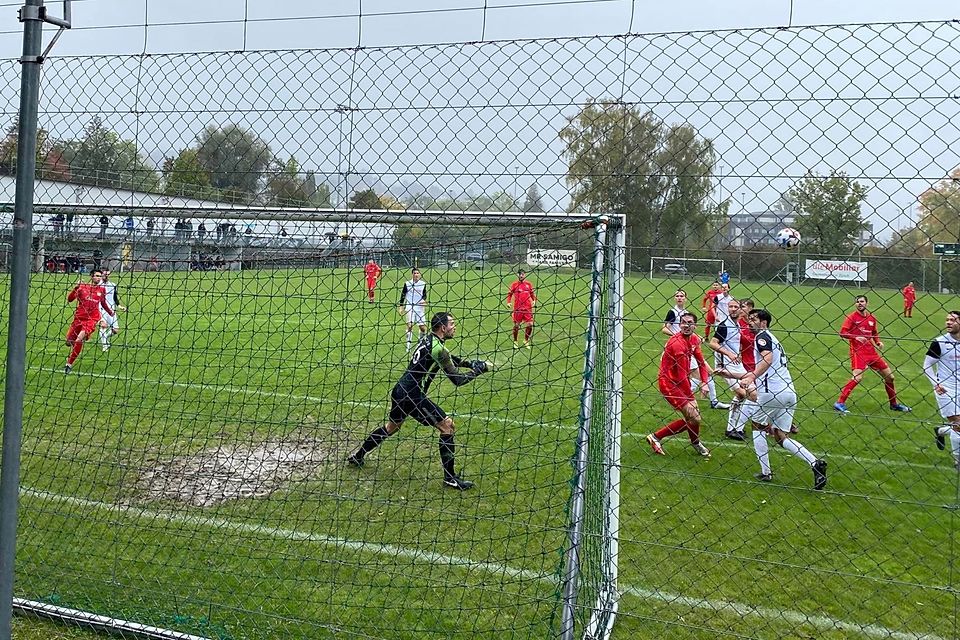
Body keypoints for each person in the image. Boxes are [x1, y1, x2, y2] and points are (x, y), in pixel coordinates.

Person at [346, 312, 493, 489]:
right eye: (452, 323)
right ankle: (450, 478)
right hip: (413, 396)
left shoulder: (429, 340)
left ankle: (358, 456)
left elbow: (449, 358)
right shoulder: (439, 349)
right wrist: (479, 370)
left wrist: (469, 364)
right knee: (447, 426)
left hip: (400, 390)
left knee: (391, 427)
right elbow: (457, 380)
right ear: (443, 327)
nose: (455, 327)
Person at [737, 308, 828, 489]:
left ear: (764, 323)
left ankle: (765, 472)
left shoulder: (761, 337)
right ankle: (815, 463)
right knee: (780, 436)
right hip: (789, 392)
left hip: (771, 392)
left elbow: (767, 359)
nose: (749, 322)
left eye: (754, 319)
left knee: (757, 427)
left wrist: (751, 377)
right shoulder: (774, 339)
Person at [647, 311, 718, 457]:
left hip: (681, 381)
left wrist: (704, 382)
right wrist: (691, 398)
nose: (686, 325)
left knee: (693, 417)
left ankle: (695, 442)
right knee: (694, 416)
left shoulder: (693, 340)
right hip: (669, 382)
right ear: (679, 324)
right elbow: (680, 375)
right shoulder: (677, 343)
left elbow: (701, 363)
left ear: (695, 326)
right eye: (683, 322)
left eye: (690, 323)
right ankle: (656, 437)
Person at [834, 295, 911, 414]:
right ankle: (839, 402)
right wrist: (856, 337)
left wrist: (878, 342)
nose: (860, 303)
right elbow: (842, 333)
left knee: (890, 377)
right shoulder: (851, 317)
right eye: (857, 302)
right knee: (857, 377)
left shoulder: (871, 318)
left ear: (867, 303)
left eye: (862, 301)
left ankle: (894, 404)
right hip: (858, 352)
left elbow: (874, 332)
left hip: (872, 353)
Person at [664, 289, 726, 409]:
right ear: (674, 298)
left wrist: (695, 337)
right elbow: (664, 328)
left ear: (686, 298)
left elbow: (690, 331)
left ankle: (711, 400)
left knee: (705, 373)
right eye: (677, 296)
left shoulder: (686, 313)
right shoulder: (672, 312)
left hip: (689, 348)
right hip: (679, 349)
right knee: (702, 375)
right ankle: (683, 396)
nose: (679, 298)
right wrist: (678, 337)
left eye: (682, 296)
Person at [709, 299, 750, 440]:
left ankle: (734, 428)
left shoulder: (737, 325)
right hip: (725, 366)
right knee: (742, 393)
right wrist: (730, 354)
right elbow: (713, 344)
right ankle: (733, 428)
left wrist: (737, 353)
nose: (733, 309)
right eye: (731, 306)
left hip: (736, 364)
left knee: (746, 394)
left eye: (736, 307)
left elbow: (734, 343)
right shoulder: (724, 325)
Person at [924, 311, 960, 469]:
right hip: (946, 388)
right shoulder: (939, 342)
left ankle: (941, 431)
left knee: (957, 426)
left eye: (953, 320)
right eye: (947, 320)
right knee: (959, 424)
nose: (948, 322)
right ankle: (958, 461)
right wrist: (936, 384)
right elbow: (926, 365)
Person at [64, 270, 113, 373]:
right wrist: (76, 288)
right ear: (91, 276)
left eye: (100, 276)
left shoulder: (102, 289)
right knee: (68, 342)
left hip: (91, 320)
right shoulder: (82, 287)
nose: (99, 278)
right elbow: (69, 299)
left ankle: (69, 364)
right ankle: (81, 342)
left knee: (79, 339)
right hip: (78, 319)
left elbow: (103, 303)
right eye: (96, 276)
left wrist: (110, 312)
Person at [506, 268, 537, 349]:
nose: (521, 275)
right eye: (520, 274)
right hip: (518, 308)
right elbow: (509, 294)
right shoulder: (514, 284)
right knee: (516, 325)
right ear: (518, 275)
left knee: (530, 324)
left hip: (527, 308)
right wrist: (508, 302)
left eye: (523, 274)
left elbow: (532, 293)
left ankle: (526, 340)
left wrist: (534, 300)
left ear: (525, 275)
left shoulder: (528, 284)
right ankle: (515, 341)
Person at [399, 268, 428, 351]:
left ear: (420, 274)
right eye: (415, 273)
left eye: (418, 273)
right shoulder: (407, 283)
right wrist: (401, 307)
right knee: (410, 325)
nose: (416, 274)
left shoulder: (423, 284)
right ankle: (408, 345)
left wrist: (424, 301)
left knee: (423, 328)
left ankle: (420, 342)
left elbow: (424, 295)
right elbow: (403, 295)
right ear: (412, 274)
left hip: (419, 307)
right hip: (409, 306)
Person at [98, 269, 127, 352]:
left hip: (111, 309)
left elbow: (115, 298)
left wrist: (120, 306)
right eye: (104, 274)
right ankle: (104, 345)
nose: (106, 276)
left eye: (108, 274)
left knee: (115, 330)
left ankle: (105, 338)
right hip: (101, 309)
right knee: (103, 326)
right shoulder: (98, 285)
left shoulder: (113, 285)